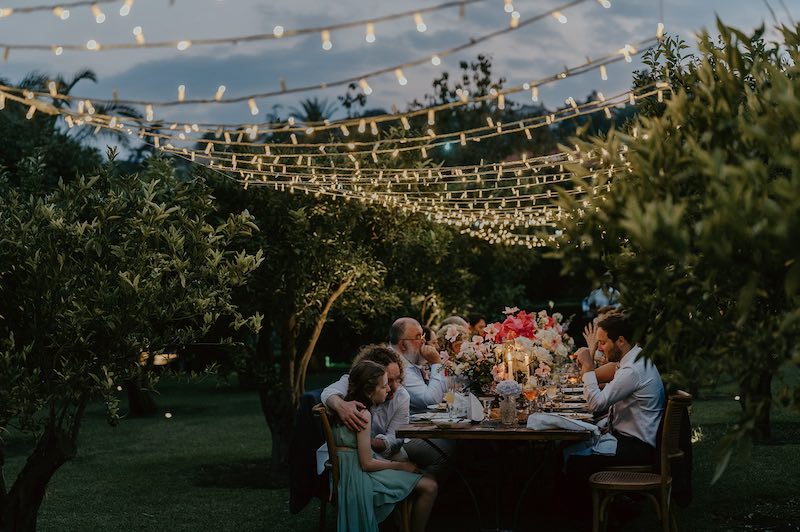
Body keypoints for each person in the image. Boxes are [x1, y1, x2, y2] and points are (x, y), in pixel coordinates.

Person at [331, 360, 438, 532]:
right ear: (368, 391)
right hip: (358, 477)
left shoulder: (346, 408)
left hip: (347, 472)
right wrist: (401, 466)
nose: (389, 389)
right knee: (430, 485)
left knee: (423, 478)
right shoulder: (363, 414)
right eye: (384, 386)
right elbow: (366, 464)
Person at [567, 313, 665, 483]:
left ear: (620, 341)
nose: (599, 349)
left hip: (637, 448)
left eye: (603, 343)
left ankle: (581, 508)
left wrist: (589, 366)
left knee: (572, 458)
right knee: (568, 448)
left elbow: (595, 404)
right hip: (630, 440)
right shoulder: (633, 358)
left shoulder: (632, 369)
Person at [321, 344, 410, 460]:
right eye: (388, 381)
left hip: (381, 452)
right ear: (369, 379)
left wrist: (366, 442)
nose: (394, 387)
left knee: (405, 460)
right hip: (346, 453)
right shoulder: (354, 383)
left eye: (398, 378)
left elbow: (397, 437)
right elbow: (328, 392)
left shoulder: (401, 396)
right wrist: (341, 405)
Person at [389, 317, 448, 415]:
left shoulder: (409, 360)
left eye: (423, 336)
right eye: (417, 337)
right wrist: (436, 363)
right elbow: (431, 401)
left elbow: (445, 393)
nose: (423, 342)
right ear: (403, 345)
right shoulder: (397, 366)